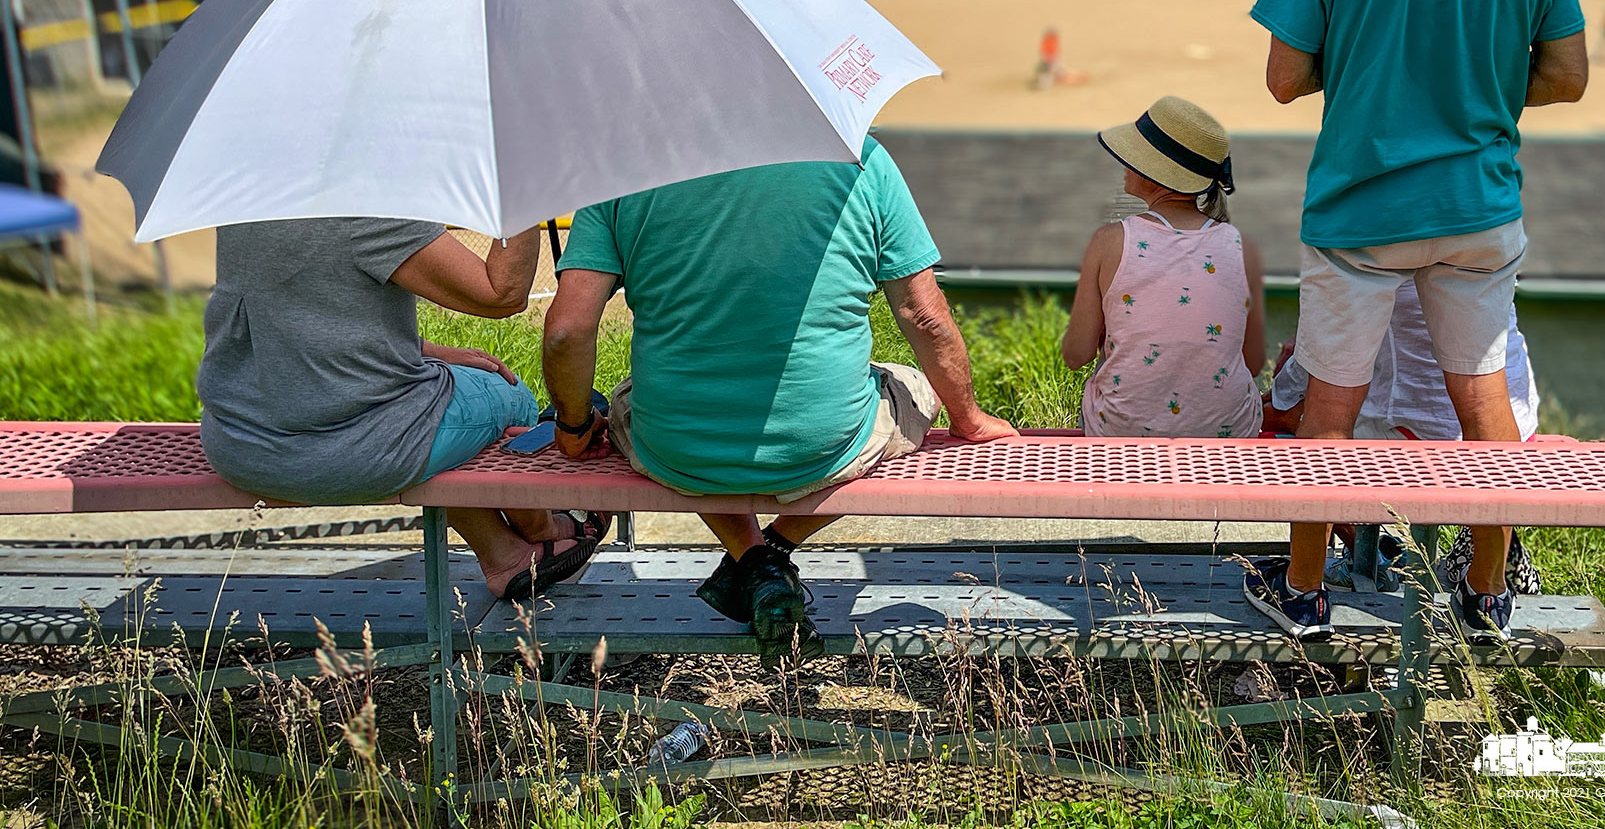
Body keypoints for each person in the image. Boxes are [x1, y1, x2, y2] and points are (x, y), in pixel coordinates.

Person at [1250, 0, 1587, 645]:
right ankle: (1483, 594)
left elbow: (1284, 80)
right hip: (1479, 207)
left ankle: (1302, 593)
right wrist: (1472, 88)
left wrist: (1372, 68)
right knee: (1483, 399)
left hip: (1362, 212)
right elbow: (1570, 77)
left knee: (1330, 408)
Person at [540, 138, 1018, 669]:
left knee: (651, 402)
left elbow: (566, 332)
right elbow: (923, 316)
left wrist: (574, 424)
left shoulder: (618, 163)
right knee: (909, 390)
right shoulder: (859, 158)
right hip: (825, 442)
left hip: (679, 447)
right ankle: (773, 551)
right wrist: (968, 418)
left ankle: (755, 561)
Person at [197, 221, 603, 602]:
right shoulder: (366, 208)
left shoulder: (248, 207)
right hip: (351, 455)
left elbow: (300, 308)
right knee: (513, 398)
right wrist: (524, 195)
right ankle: (543, 528)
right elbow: (502, 293)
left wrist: (423, 350)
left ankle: (503, 554)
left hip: (240, 447)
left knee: (424, 414)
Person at [1258, 281, 1544, 596]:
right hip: (1513, 424)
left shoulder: (1372, 241)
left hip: (1420, 435)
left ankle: (1303, 587)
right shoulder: (1486, 235)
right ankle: (1487, 586)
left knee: (1288, 432)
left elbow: (1329, 351)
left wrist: (1281, 395)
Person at [1060, 96, 1265, 438]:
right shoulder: (1244, 248)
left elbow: (1075, 355)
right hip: (1227, 429)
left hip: (1123, 429)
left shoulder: (1109, 241)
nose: (1124, 163)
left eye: (1133, 157)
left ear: (1155, 175)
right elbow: (1254, 360)